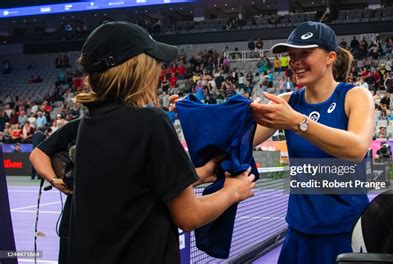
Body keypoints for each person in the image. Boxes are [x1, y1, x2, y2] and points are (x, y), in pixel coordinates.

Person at [32, 21, 256, 264]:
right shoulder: (152, 122)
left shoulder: (88, 124)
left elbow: (136, 187)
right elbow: (190, 216)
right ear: (139, 69)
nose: (159, 69)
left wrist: (203, 173)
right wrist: (234, 191)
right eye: (154, 62)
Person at [250, 22, 374, 263]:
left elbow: (357, 148)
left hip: (346, 233)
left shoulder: (355, 96)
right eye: (292, 56)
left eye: (305, 53)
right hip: (298, 233)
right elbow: (241, 142)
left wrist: (297, 122)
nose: (295, 62)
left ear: (330, 57)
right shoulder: (286, 102)